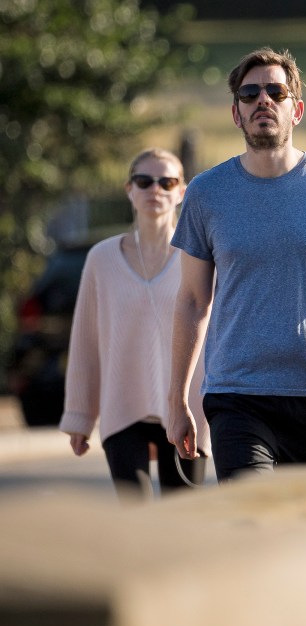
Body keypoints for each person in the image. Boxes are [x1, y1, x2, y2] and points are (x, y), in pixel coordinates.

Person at [167, 47, 306, 481]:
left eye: (275, 91)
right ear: (236, 113)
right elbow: (192, 301)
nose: (262, 100)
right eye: (250, 94)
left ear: (296, 109)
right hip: (235, 394)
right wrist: (177, 400)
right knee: (251, 521)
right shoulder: (207, 193)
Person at [59, 148, 209, 501]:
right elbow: (86, 342)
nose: (154, 190)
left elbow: (216, 335)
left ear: (181, 192)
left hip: (187, 410)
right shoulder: (101, 259)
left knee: (182, 518)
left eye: (166, 181)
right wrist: (80, 418)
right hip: (122, 409)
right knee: (135, 518)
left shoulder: (198, 259)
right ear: (129, 189)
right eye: (144, 181)